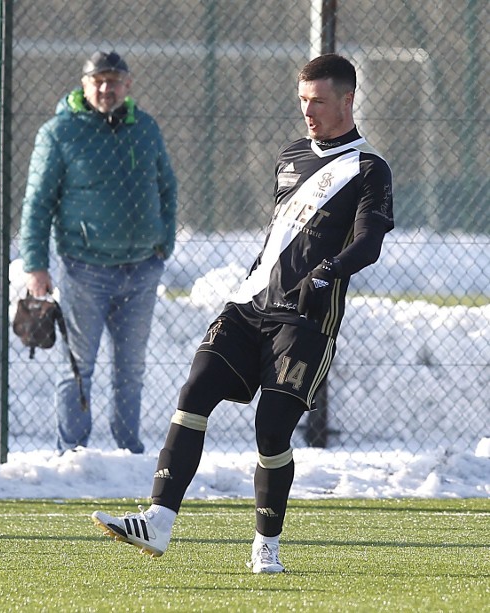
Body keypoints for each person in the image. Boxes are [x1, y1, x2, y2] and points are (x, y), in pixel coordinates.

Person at [91, 54, 394, 572]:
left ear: (347, 100)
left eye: (318, 101)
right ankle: (158, 521)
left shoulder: (369, 169)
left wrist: (330, 270)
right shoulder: (291, 157)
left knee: (272, 430)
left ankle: (266, 547)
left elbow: (369, 241)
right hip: (249, 305)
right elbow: (279, 237)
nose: (308, 111)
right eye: (302, 101)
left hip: (305, 320)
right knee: (195, 390)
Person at [19, 51, 177, 454]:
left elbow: (167, 186)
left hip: (142, 268)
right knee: (77, 368)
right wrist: (36, 265)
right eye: (98, 81)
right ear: (84, 84)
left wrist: (163, 243)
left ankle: (129, 450)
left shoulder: (145, 128)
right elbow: (37, 202)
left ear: (129, 85)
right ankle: (73, 453)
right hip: (84, 270)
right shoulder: (59, 133)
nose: (106, 89)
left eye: (114, 81)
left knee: (131, 370)